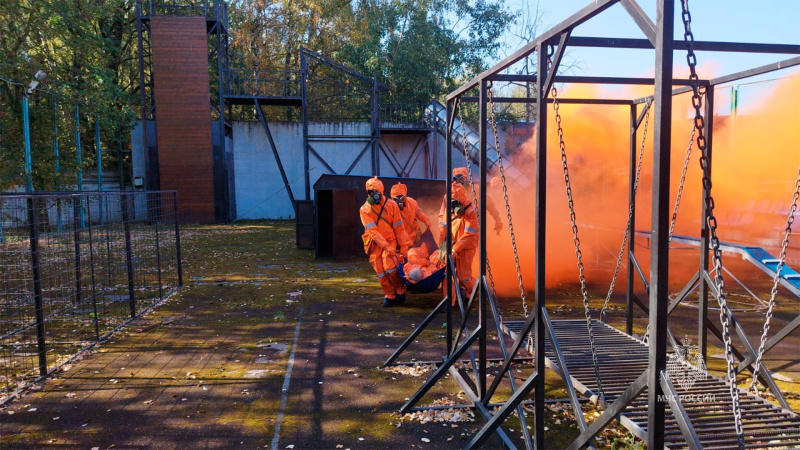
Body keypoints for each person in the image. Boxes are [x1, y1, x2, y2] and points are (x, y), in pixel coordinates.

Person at [360, 176, 412, 307]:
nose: (373, 195)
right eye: (370, 192)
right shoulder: (365, 209)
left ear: (381, 192)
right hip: (375, 243)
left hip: (390, 241)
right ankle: (389, 294)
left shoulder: (391, 205)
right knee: (380, 271)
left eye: (375, 192)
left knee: (391, 268)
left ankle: (400, 289)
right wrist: (385, 246)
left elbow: (399, 228)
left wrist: (403, 247)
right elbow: (373, 231)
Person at [437, 182, 478, 302]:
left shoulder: (471, 211)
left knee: (463, 276)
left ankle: (474, 292)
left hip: (466, 247)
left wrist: (455, 249)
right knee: (446, 273)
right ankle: (449, 301)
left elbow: (469, 235)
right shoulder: (448, 209)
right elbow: (443, 227)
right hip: (450, 244)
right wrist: (442, 247)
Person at [442, 167, 503, 236]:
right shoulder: (450, 194)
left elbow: (489, 204)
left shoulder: (475, 190)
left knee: (470, 243)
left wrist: (498, 220)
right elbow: (443, 216)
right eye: (456, 179)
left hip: (473, 225)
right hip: (456, 228)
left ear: (466, 178)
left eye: (462, 179)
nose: (459, 182)